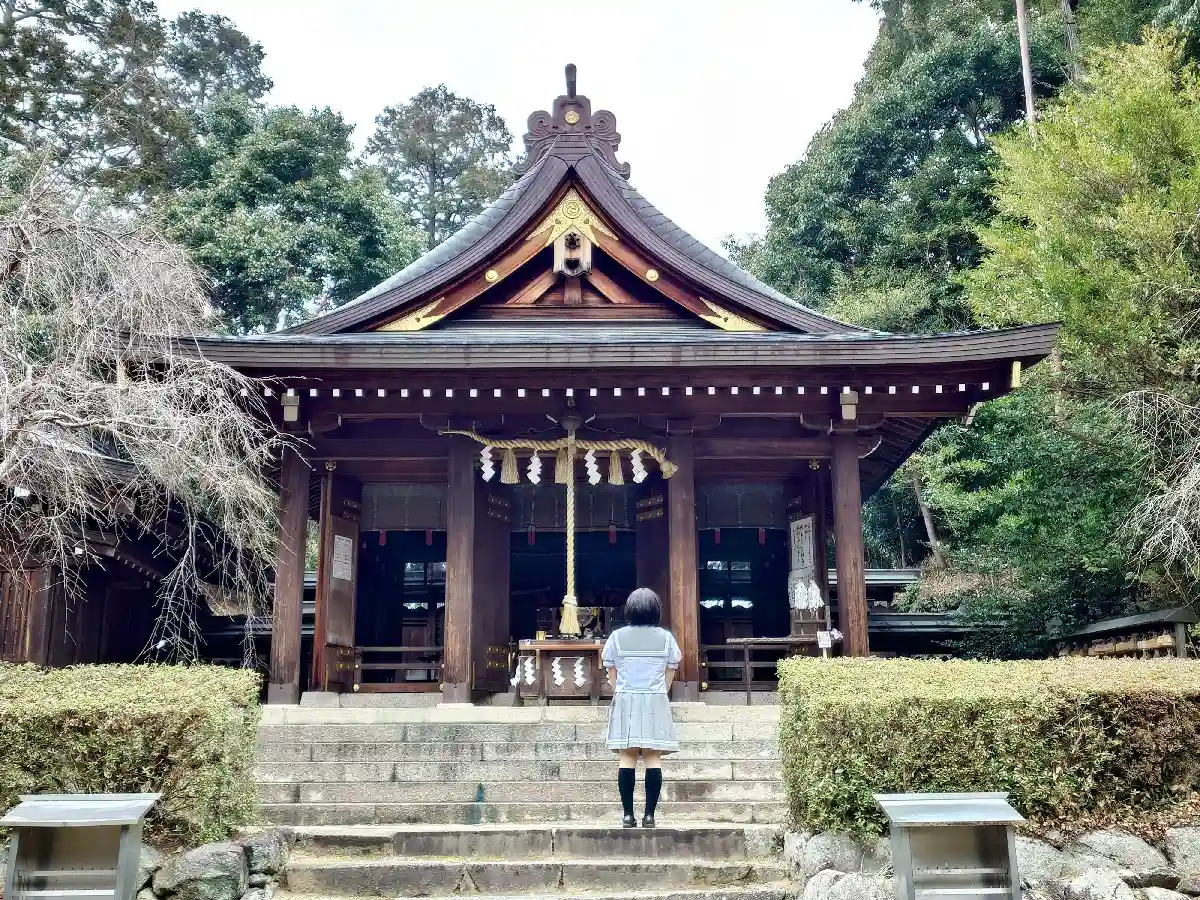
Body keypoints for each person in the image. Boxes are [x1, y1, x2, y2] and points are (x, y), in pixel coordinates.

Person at [602, 587, 682, 828]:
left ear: (630, 609)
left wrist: (623, 690)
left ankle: (628, 816)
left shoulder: (617, 637)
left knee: (626, 757)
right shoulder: (666, 638)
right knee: (652, 757)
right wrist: (657, 691)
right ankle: (649, 816)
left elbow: (612, 675)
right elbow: (670, 674)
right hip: (655, 700)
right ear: (656, 610)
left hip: (626, 698)